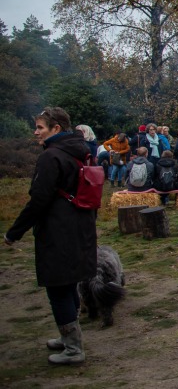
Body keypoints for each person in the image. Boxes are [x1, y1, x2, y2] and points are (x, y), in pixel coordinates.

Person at [4, 107, 97, 365]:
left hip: (59, 229)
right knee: (69, 283)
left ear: (56, 128)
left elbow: (39, 199)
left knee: (58, 288)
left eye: (40, 127)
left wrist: (14, 232)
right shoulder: (82, 151)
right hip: (81, 225)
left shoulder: (51, 156)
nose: (35, 132)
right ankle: (69, 336)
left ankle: (73, 348)